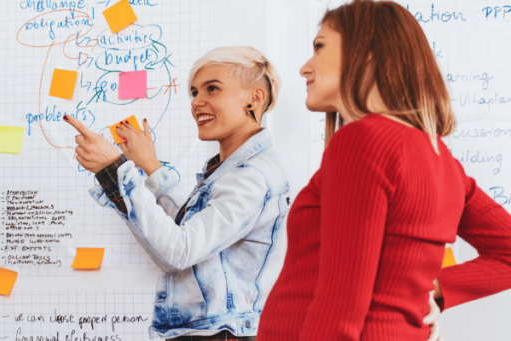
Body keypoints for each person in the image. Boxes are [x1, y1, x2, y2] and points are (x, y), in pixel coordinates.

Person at [258, 1, 511, 340]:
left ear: (367, 52)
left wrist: (435, 289)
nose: (305, 68)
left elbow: (340, 307)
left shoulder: (362, 141)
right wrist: (433, 289)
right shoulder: (443, 161)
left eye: (319, 47)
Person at [65, 46, 288, 340]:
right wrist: (151, 167)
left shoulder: (251, 176)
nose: (197, 102)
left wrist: (116, 170)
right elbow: (197, 227)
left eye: (212, 89)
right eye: (194, 92)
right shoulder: (234, 169)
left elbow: (179, 251)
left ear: (254, 98)